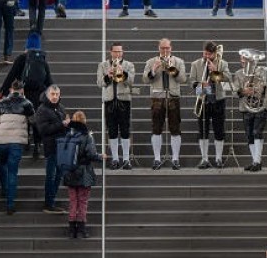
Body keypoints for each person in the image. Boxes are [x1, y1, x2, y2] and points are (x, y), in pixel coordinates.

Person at [0, 32, 53, 158]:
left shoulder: (22, 58)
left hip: (24, 93)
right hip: (39, 95)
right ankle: (37, 145)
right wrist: (54, 94)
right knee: (37, 119)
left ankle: (26, 141)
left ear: (26, 45)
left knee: (24, 118)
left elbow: (11, 76)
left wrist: (3, 91)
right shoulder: (41, 59)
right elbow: (49, 79)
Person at [0, 80, 34, 215]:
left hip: (1, 141)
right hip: (16, 143)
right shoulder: (27, 104)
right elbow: (34, 121)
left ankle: (4, 190)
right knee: (12, 172)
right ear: (22, 90)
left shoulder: (0, 103)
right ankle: (10, 204)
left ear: (11, 89)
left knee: (3, 165)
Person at [142, 38, 186, 170]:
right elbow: (145, 79)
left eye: (167, 48)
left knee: (175, 129)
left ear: (171, 48)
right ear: (159, 48)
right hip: (157, 98)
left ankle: (175, 159)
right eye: (162, 48)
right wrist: (154, 70)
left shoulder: (178, 61)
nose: (165, 51)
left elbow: (183, 79)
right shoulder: (151, 62)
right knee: (156, 129)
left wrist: (173, 69)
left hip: (173, 97)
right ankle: (156, 159)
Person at [233, 51, 267, 172]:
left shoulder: (264, 71)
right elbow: (234, 92)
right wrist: (243, 91)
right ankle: (255, 161)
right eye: (241, 59)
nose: (241, 61)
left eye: (244, 59)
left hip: (261, 106)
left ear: (251, 60)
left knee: (257, 132)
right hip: (246, 107)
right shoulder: (239, 73)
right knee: (249, 135)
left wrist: (264, 87)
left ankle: (257, 161)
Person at [63, 111, 106, 239]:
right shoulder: (87, 136)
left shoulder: (68, 135)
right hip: (84, 172)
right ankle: (81, 228)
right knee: (82, 201)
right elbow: (91, 154)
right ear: (84, 121)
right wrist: (101, 156)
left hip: (70, 171)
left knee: (73, 201)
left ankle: (71, 229)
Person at [189, 41, 231, 169]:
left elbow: (228, 78)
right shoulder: (196, 64)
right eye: (205, 53)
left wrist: (215, 71)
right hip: (203, 100)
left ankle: (218, 158)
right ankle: (204, 159)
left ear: (215, 53)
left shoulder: (223, 63)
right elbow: (191, 81)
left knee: (219, 131)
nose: (207, 56)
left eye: (209, 54)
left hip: (218, 100)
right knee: (203, 131)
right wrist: (200, 85)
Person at [97, 42, 135, 170]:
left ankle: (126, 159)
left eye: (120, 51)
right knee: (112, 130)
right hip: (109, 100)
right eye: (115, 51)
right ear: (111, 52)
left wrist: (121, 72)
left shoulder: (129, 65)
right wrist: (108, 75)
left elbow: (131, 81)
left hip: (124, 100)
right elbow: (99, 83)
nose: (118, 54)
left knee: (125, 130)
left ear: (122, 52)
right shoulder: (103, 65)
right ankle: (114, 159)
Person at [35, 84, 69, 214]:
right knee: (51, 175)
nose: (55, 97)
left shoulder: (61, 108)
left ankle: (51, 200)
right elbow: (43, 130)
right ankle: (49, 203)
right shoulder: (42, 109)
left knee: (59, 175)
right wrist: (61, 124)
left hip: (62, 147)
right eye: (52, 94)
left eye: (57, 94)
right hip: (51, 147)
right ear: (47, 95)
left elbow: (64, 125)